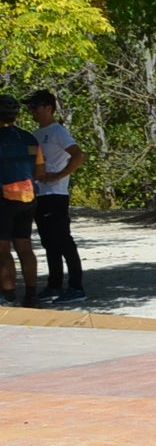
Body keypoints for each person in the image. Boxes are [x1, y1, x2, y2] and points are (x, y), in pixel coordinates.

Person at [28, 91, 85, 301]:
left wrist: (59, 176)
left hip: (56, 195)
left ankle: (76, 287)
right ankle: (54, 285)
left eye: (35, 106)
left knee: (63, 240)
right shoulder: (34, 134)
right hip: (40, 195)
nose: (32, 111)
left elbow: (79, 155)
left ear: (48, 108)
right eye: (30, 107)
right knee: (49, 242)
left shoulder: (57, 132)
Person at [0, 97, 39, 305]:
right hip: (28, 198)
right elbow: (39, 170)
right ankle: (31, 295)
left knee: (3, 250)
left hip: (4, 200)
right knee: (25, 247)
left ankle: (8, 296)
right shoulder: (29, 138)